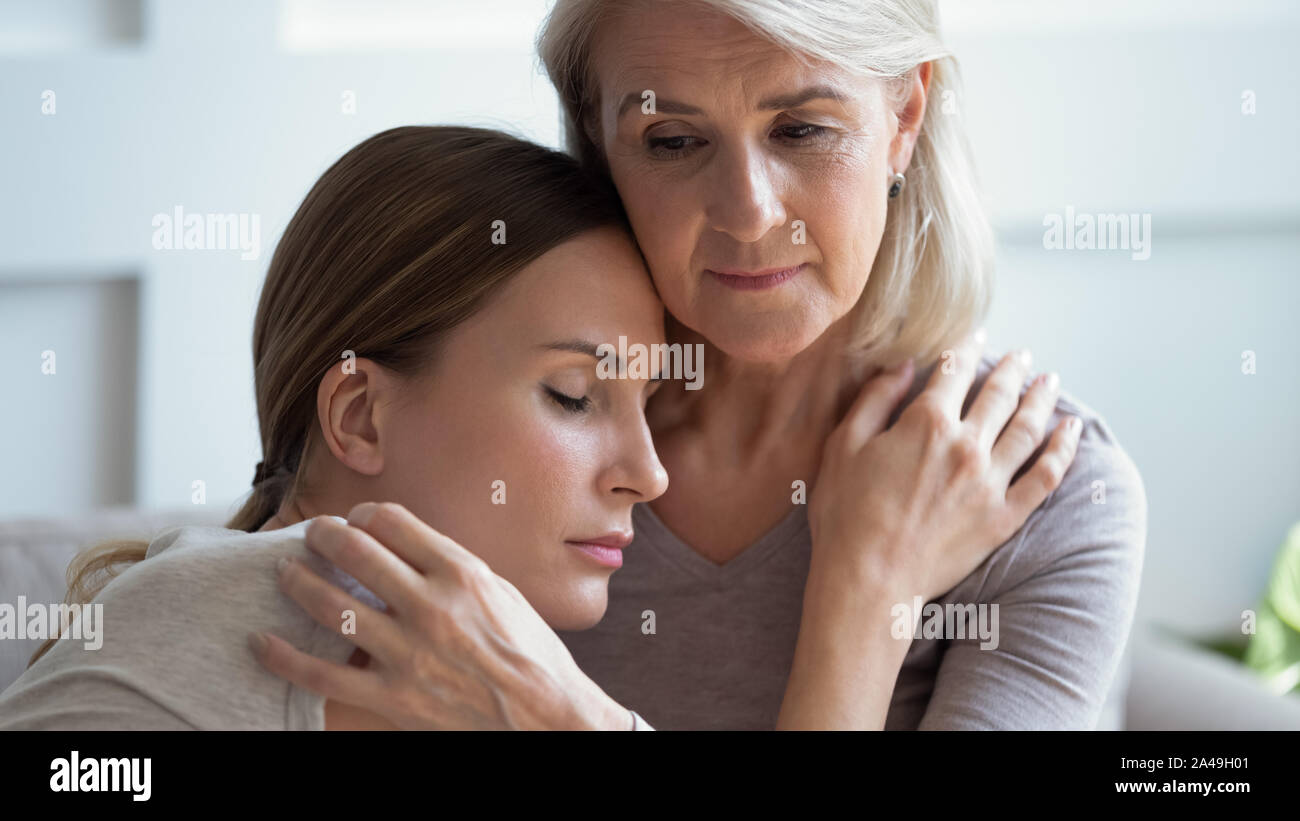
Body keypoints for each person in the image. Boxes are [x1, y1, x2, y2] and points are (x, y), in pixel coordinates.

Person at [256, 0, 1146, 729]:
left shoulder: (1043, 495)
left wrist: (864, 586)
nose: (749, 214)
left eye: (801, 129)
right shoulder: (484, 433)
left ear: (903, 120)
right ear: (598, 140)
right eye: (673, 141)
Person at [0, 125, 669, 730]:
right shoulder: (307, 629)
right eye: (573, 395)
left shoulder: (435, 663)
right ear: (359, 417)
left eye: (650, 403)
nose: (650, 473)